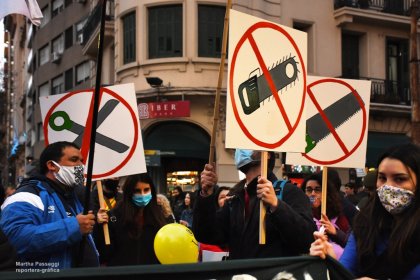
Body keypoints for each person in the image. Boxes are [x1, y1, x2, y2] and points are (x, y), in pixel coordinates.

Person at [310, 143, 420, 279]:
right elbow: (346, 271)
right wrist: (331, 261)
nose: (388, 186)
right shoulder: (365, 223)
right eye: (382, 178)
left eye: (400, 179)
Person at [193, 149, 316, 259]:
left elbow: (307, 241)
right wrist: (206, 195)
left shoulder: (289, 192)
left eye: (246, 144)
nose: (240, 150)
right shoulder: (235, 198)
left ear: (266, 154)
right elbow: (206, 235)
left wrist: (276, 206)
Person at [0, 141, 99, 269]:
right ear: (52, 165)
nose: (81, 165)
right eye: (74, 160)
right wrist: (74, 227)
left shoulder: (74, 196)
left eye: (82, 160)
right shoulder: (26, 196)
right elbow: (17, 240)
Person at [95, 173, 168, 266]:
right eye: (137, 191)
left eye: (146, 190)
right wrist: (100, 226)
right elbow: (105, 253)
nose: (142, 195)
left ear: (152, 191)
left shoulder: (158, 216)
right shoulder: (115, 217)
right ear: (129, 192)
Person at [301, 173, 351, 259]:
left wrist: (335, 232)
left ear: (326, 193)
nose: (313, 194)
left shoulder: (338, 216)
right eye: (309, 190)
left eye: (317, 190)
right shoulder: (300, 216)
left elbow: (351, 245)